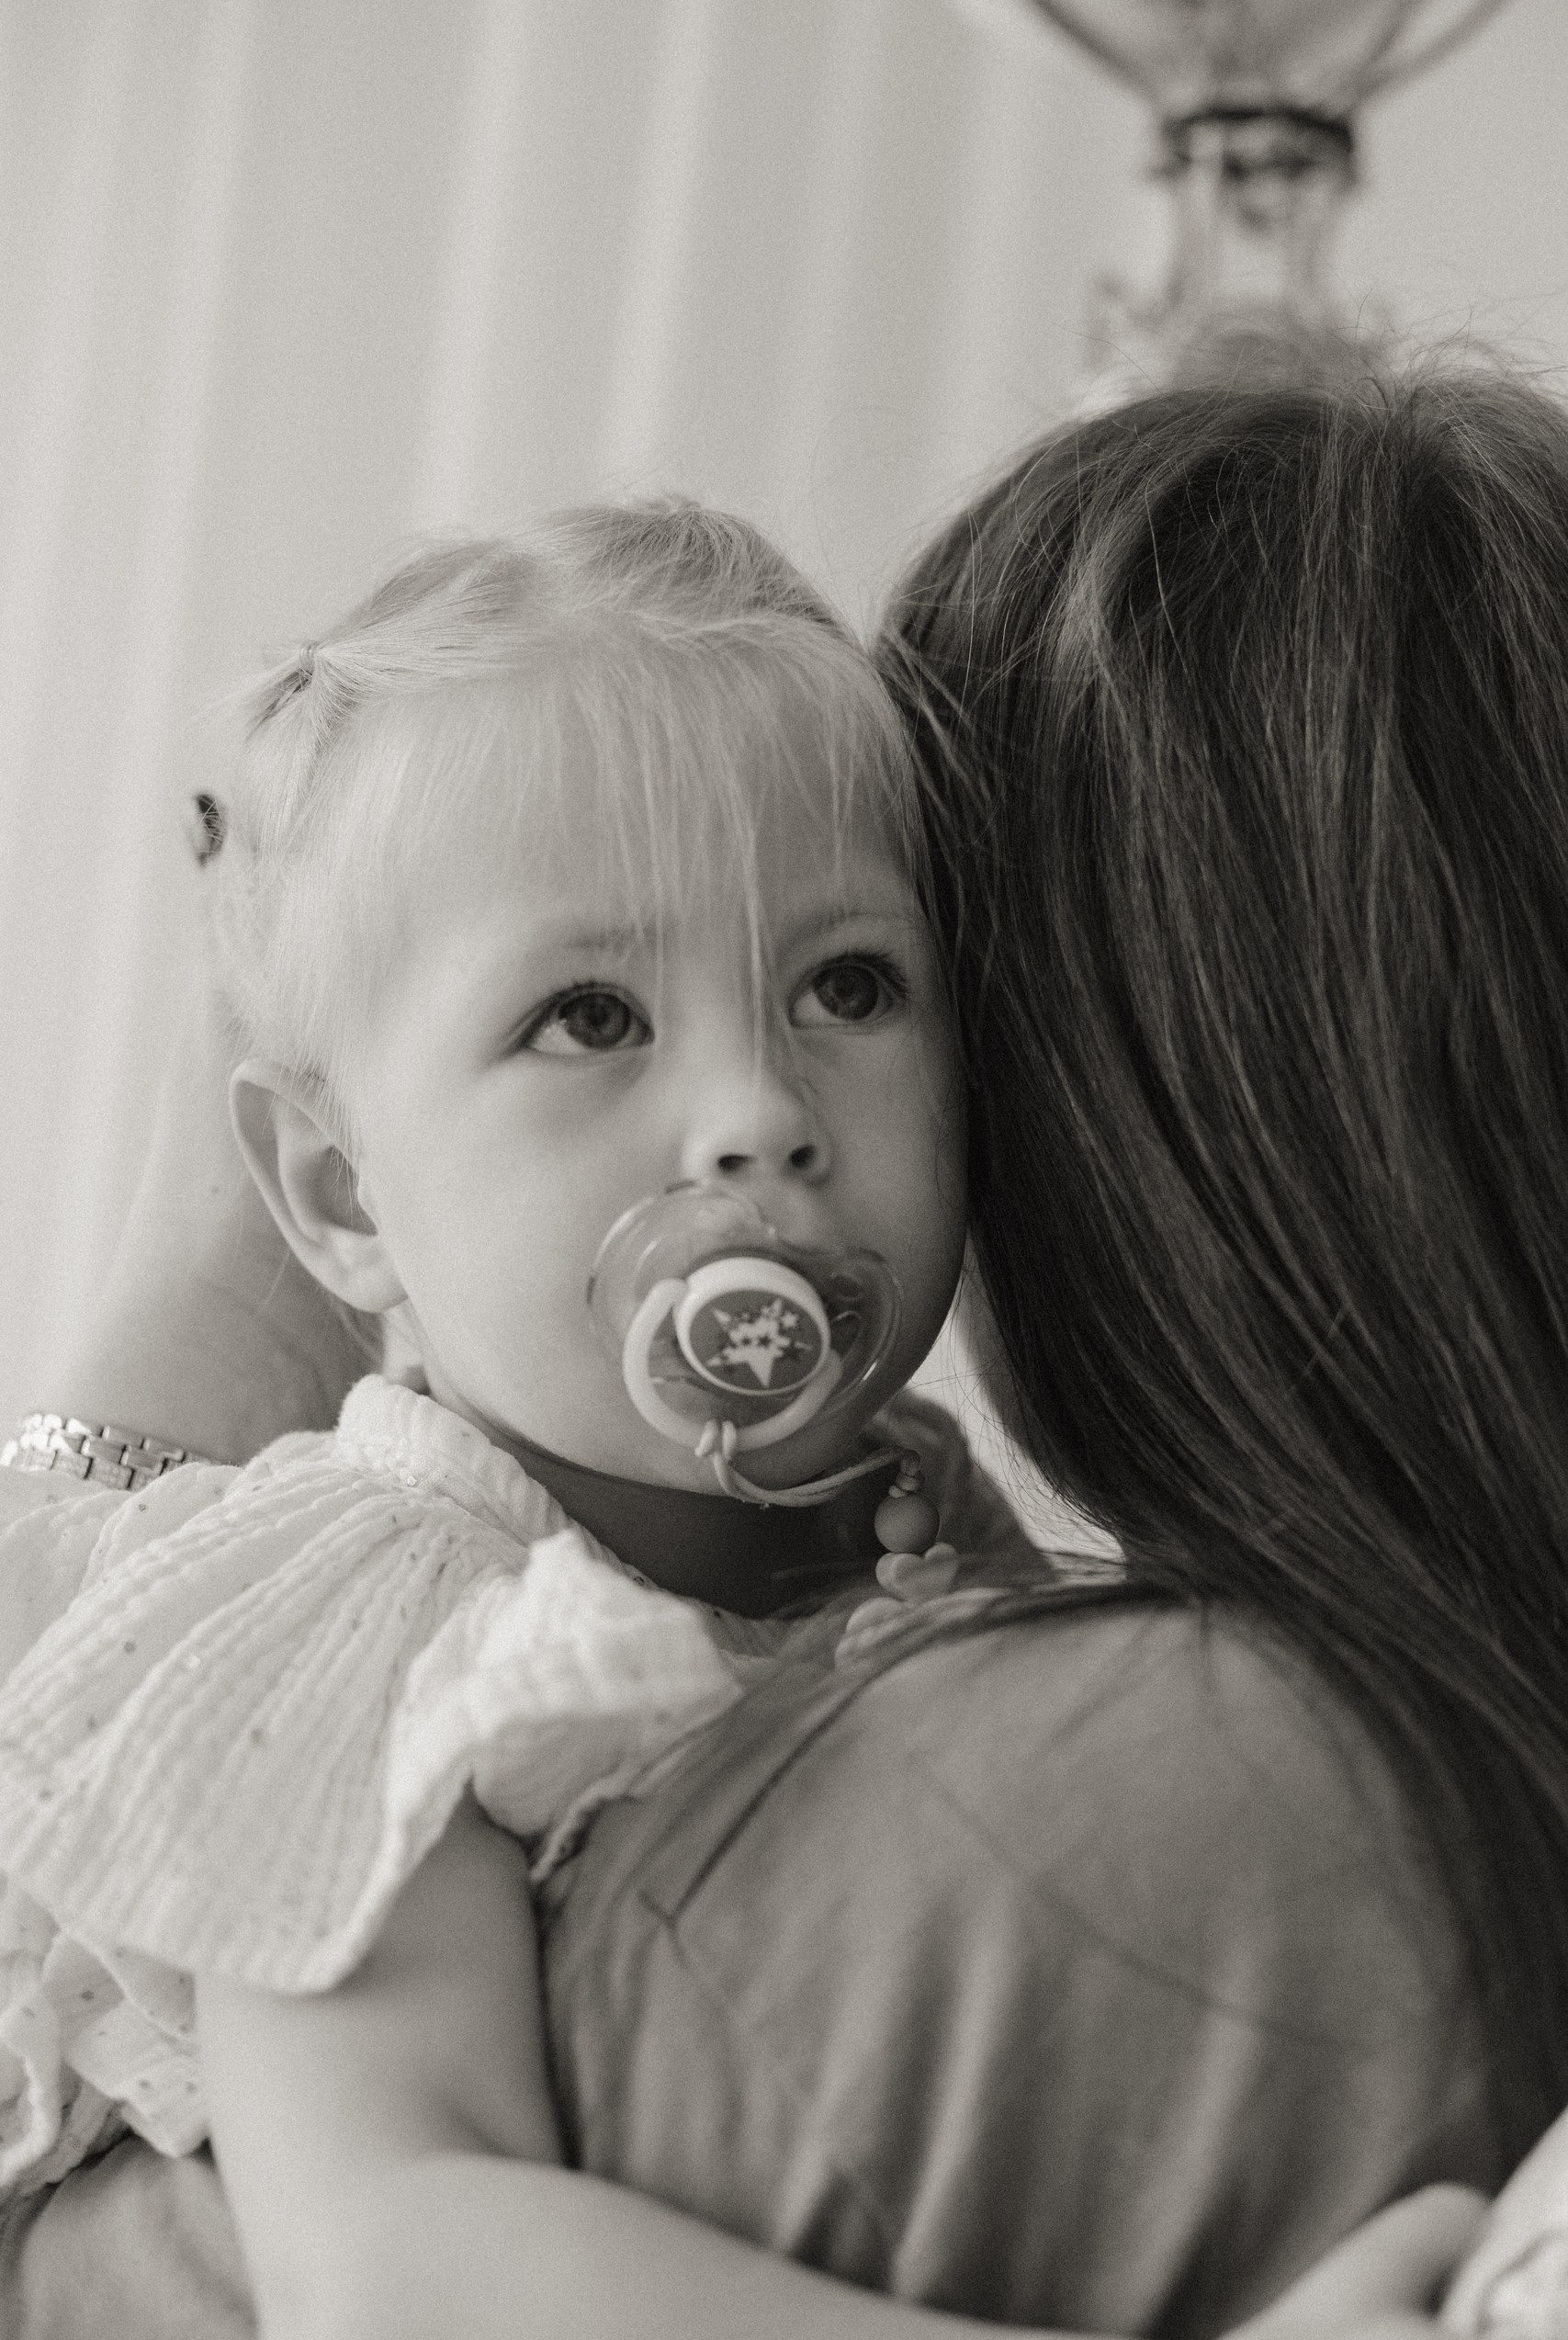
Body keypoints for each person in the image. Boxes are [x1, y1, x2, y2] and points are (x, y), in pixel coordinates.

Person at [0, 368, 1540, 2339]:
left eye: (848, 983)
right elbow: (391, 2272)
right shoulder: (366, 1639)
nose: (754, 1113)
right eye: (588, 1016)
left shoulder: (912, 1515)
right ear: (333, 1190)